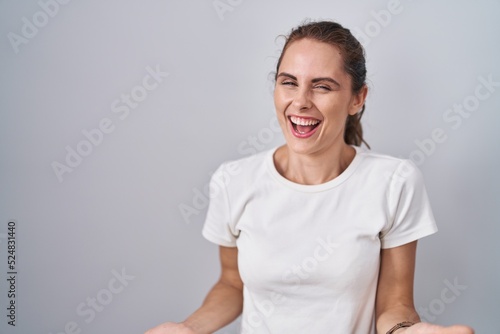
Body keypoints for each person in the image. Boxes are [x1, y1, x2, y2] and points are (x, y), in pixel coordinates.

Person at [146, 21, 474, 334]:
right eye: (289, 82)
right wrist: (188, 328)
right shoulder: (233, 181)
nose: (300, 102)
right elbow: (232, 283)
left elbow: (394, 305)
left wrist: (411, 329)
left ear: (357, 99)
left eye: (322, 86)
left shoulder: (394, 182)